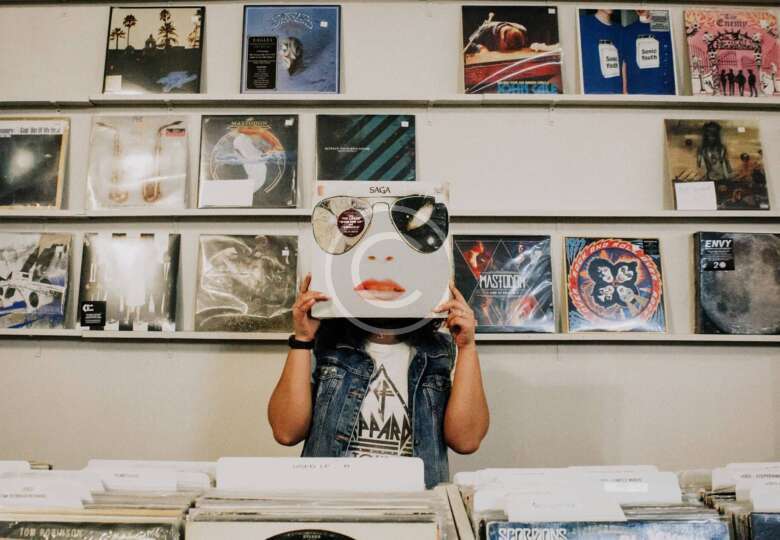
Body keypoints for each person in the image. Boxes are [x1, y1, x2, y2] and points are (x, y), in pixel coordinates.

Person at [268, 274, 490, 488]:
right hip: (332, 503)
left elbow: (466, 441)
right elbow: (286, 432)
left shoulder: (443, 352)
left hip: (415, 506)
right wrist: (302, 339)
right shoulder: (324, 345)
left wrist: (467, 346)